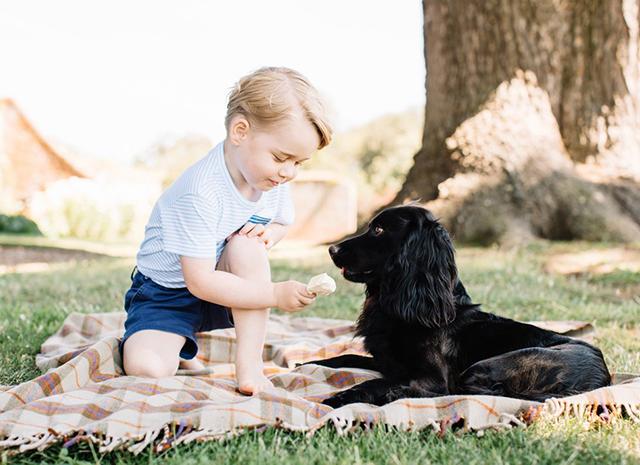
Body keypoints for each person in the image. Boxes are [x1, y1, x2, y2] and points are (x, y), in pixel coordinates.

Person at [120, 67, 333, 395]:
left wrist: (269, 235)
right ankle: (172, 340)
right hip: (167, 293)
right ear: (240, 131)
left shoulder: (270, 178)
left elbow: (280, 222)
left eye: (299, 163)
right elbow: (199, 281)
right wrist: (275, 294)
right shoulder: (200, 192)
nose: (289, 172)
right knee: (148, 370)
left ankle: (249, 367)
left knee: (247, 247)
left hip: (225, 284)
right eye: (281, 157)